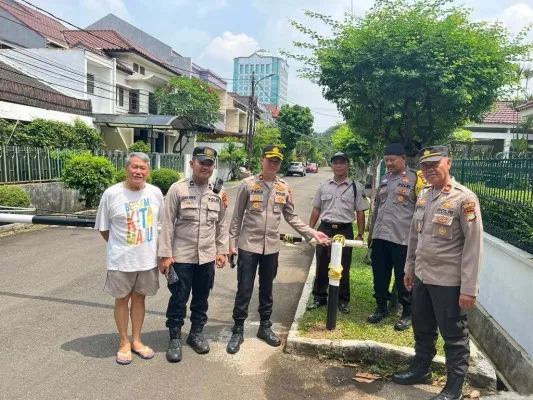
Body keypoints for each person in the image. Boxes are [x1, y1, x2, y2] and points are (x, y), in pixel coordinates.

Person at [392, 146, 483, 400]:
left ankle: (454, 386)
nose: (429, 170)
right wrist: (409, 269)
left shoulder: (464, 198)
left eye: (434, 164)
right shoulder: (423, 195)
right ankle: (421, 370)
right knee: (422, 328)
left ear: (448, 163)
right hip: (422, 277)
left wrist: (469, 289)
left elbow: (474, 246)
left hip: (448, 282)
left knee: (454, 335)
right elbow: (414, 237)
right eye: (425, 166)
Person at [226, 145, 329, 354]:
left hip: (271, 247)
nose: (274, 164)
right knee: (244, 288)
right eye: (270, 159)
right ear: (262, 159)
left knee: (267, 288)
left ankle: (265, 326)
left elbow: (291, 216)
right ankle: (238, 329)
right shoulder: (247, 185)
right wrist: (231, 245)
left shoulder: (284, 187)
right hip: (248, 246)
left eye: (277, 161)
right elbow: (236, 217)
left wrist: (312, 233)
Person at [158, 146, 228, 363]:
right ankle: (175, 338)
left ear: (213, 167)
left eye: (209, 163)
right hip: (181, 257)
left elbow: (222, 224)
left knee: (201, 298)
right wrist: (165, 255)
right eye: (201, 162)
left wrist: (222, 250)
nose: (205, 167)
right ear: (192, 163)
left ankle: (196, 334)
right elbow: (167, 223)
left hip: (206, 257)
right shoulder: (177, 189)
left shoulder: (218, 193)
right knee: (178, 298)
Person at [95, 152, 164, 365]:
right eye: (134, 167)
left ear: (148, 171)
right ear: (126, 169)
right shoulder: (111, 194)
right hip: (121, 260)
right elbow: (104, 229)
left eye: (143, 168)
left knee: (140, 298)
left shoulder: (155, 192)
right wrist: (121, 246)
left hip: (147, 259)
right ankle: (123, 341)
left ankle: (137, 340)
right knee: (122, 299)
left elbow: (159, 223)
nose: (138, 172)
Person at [307, 151, 368, 314]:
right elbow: (317, 209)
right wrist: (311, 230)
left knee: (344, 265)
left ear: (348, 165)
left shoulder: (356, 187)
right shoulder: (323, 186)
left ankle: (343, 300)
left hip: (345, 229)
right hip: (325, 229)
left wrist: (360, 234)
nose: (338, 165)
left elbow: (360, 212)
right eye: (335, 162)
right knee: (321, 264)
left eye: (342, 162)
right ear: (332, 165)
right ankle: (319, 297)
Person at [367, 143, 419, 330]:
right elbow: (376, 210)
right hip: (381, 237)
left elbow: (421, 211)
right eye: (386, 160)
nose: (388, 163)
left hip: (402, 239)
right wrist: (371, 234)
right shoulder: (384, 180)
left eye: (392, 160)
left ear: (403, 159)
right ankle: (381, 307)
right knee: (379, 275)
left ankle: (407, 313)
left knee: (403, 277)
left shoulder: (415, 180)